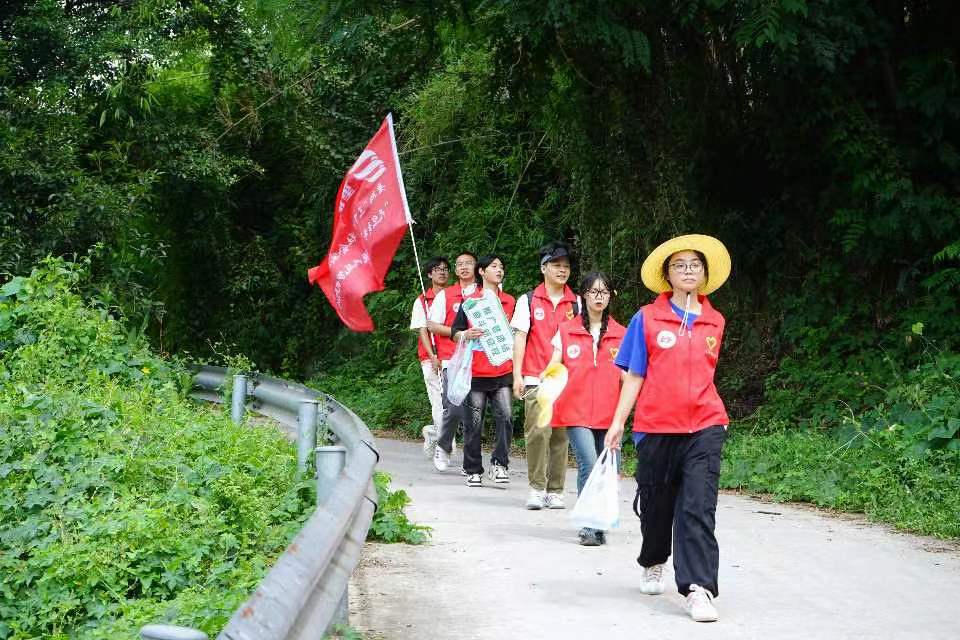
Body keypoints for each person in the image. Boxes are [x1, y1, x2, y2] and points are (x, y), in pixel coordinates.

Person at [604, 234, 732, 623]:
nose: (689, 270)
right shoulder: (646, 318)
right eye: (680, 265)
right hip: (657, 426)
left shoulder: (715, 320)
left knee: (698, 507)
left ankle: (698, 588)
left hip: (706, 424)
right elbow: (634, 375)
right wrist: (617, 423)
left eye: (695, 264)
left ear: (705, 274)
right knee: (658, 507)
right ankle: (653, 559)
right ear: (667, 276)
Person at [548, 271, 625, 546]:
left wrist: (626, 414)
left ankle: (599, 520)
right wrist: (545, 385)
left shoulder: (621, 334)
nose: (598, 297)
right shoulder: (566, 330)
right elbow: (554, 366)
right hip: (576, 410)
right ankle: (589, 526)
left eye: (604, 292)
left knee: (607, 470)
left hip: (609, 413)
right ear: (583, 295)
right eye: (593, 292)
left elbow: (628, 378)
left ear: (611, 297)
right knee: (589, 465)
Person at [511, 241, 580, 510]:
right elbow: (520, 338)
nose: (562, 270)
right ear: (544, 268)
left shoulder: (577, 302)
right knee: (538, 433)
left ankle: (556, 490)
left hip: (565, 380)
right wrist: (516, 375)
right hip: (534, 377)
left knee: (561, 437)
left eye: (566, 266)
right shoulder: (528, 300)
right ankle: (537, 488)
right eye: (556, 265)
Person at [449, 255, 516, 487]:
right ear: (482, 272)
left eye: (502, 267)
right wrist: (465, 334)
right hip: (476, 370)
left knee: (506, 416)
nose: (499, 270)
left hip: (503, 369)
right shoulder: (471, 303)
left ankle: (499, 464)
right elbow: (455, 331)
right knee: (474, 421)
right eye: (494, 266)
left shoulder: (510, 302)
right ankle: (473, 468)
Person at [427, 252, 478, 472]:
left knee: (474, 412)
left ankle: (471, 460)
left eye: (469, 263)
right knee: (454, 407)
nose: (464, 267)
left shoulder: (485, 294)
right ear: (456, 271)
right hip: (452, 359)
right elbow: (432, 325)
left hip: (480, 360)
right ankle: (443, 445)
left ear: (477, 268)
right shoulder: (446, 295)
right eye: (460, 264)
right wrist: (458, 334)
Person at [409, 256, 449, 456]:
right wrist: (432, 355)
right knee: (438, 402)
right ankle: (445, 448)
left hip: (453, 357)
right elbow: (422, 330)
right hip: (430, 357)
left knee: (454, 404)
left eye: (445, 269)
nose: (442, 272)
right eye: (437, 269)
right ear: (429, 274)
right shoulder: (423, 300)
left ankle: (433, 433)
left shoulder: (455, 297)